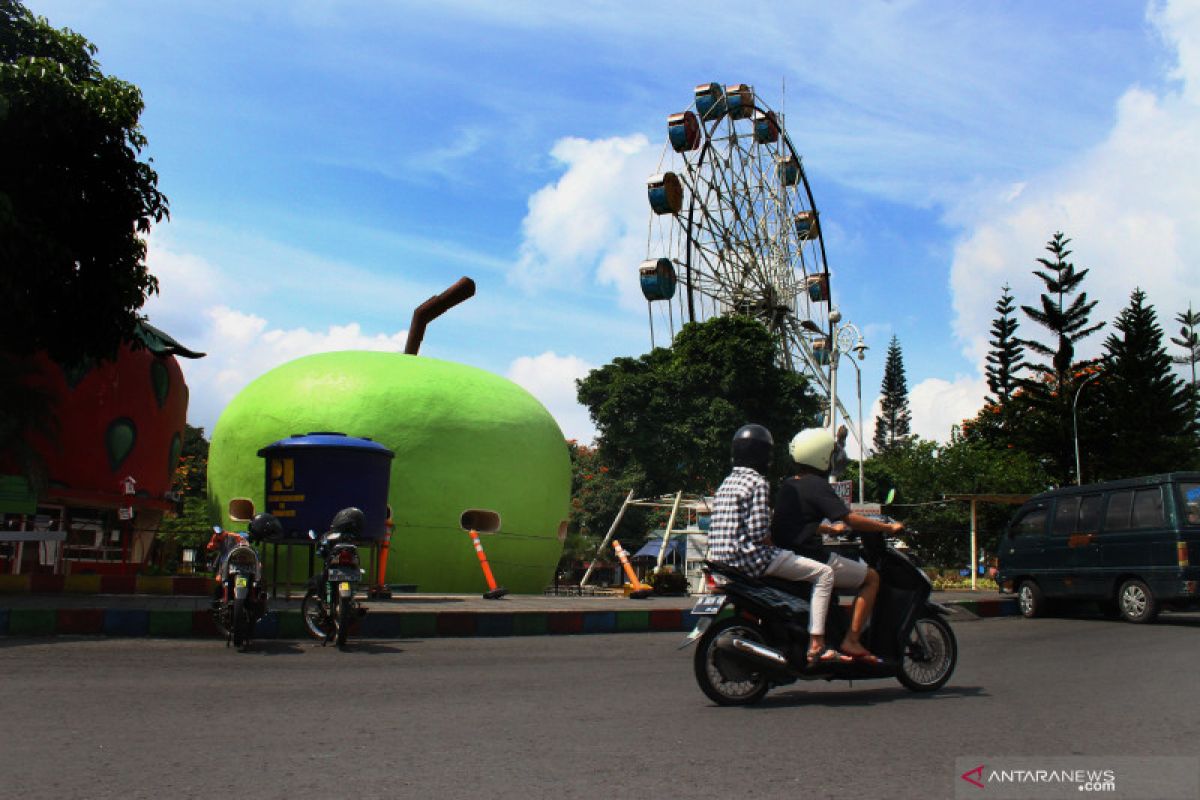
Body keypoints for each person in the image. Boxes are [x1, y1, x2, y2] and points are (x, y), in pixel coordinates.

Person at [706, 424, 847, 665]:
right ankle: (817, 643)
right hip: (749, 559)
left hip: (720, 560)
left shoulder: (726, 483)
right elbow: (759, 532)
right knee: (824, 574)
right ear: (764, 455)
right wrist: (780, 547)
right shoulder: (758, 482)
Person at [772, 427, 905, 664]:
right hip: (810, 556)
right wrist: (887, 528)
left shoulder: (789, 484)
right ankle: (851, 640)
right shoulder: (817, 485)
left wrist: (828, 529)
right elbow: (850, 518)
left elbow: (796, 522)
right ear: (822, 456)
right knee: (872, 577)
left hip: (787, 554)